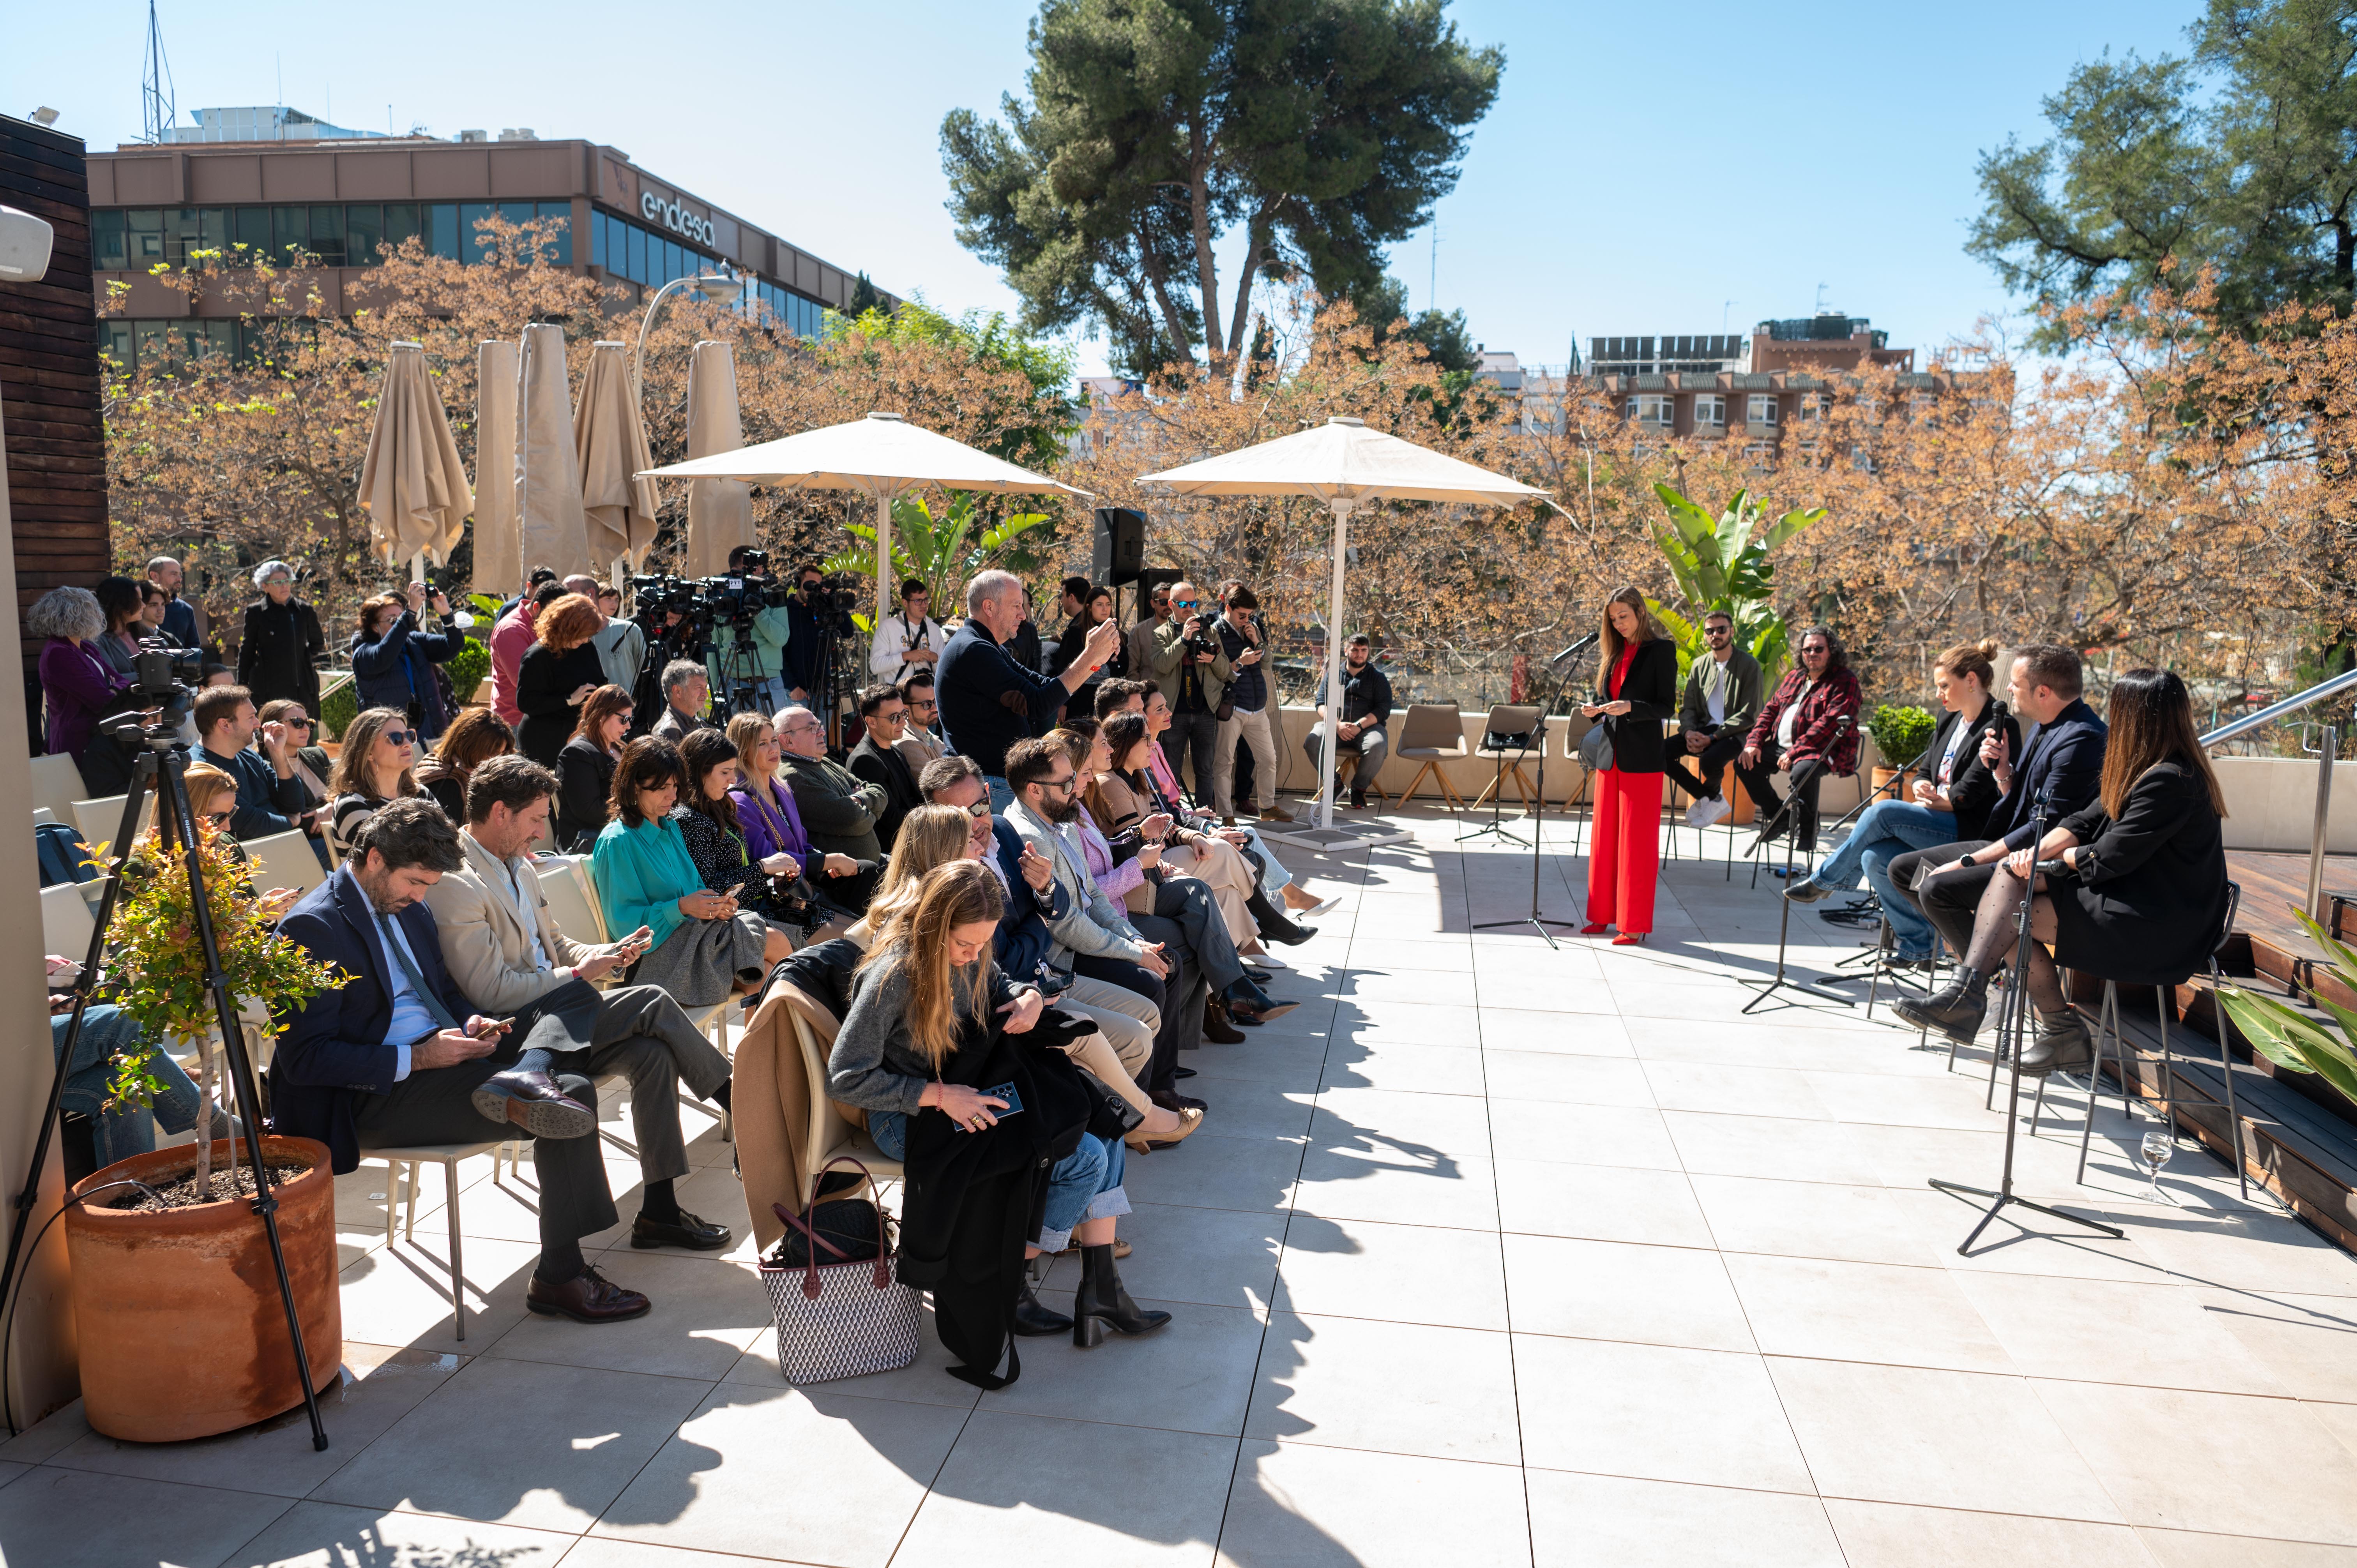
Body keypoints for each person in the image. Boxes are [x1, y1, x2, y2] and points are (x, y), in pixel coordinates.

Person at [271, 799, 651, 1324]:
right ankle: (561, 1276)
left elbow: (445, 990)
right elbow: (305, 1060)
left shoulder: (410, 906)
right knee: (573, 1093)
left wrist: (471, 1021)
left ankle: (530, 1073)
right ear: (375, 858)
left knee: (574, 995)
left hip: (441, 1056)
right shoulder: (312, 928)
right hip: (372, 1094)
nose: (420, 896)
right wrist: (419, 1057)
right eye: (415, 882)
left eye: (428, 885)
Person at [829, 859, 1167, 1368]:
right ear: (935, 925)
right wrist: (939, 1096)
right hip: (911, 1118)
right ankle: (1012, 1282)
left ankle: (1099, 1288)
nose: (973, 956)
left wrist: (1025, 996)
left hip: (969, 1087)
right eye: (965, 945)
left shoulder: (971, 950)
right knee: (1084, 1159)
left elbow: (997, 983)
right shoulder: (894, 975)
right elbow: (846, 1077)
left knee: (1101, 1119)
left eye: (983, 945)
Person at [420, 755, 735, 1250]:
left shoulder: (519, 866)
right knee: (651, 999)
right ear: (500, 813)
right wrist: (577, 975)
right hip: (516, 1038)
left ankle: (659, 1212)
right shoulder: (457, 883)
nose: (542, 832)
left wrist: (606, 953)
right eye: (535, 819)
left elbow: (559, 944)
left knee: (652, 1055)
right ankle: (739, 1101)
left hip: (562, 1016)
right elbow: (490, 993)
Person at [1896, 668, 2228, 1075]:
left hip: (2161, 925)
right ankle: (2013, 1011)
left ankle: (2004, 1008)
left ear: (2135, 718)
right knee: (2012, 898)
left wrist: (2046, 862)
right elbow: (2082, 822)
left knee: (2012, 905)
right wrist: (2032, 856)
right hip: (2134, 898)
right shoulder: (2146, 770)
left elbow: (2107, 857)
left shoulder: (2170, 781)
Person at [917, 753, 1167, 1092]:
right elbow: (1006, 956)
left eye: (979, 808)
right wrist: (1043, 916)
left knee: (1150, 1005)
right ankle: (1127, 1110)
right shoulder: (951, 872)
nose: (975, 825)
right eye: (959, 816)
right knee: (1137, 1027)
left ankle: (1127, 1105)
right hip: (1017, 995)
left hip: (1047, 975)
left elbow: (1066, 901)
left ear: (989, 794)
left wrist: (1047, 891)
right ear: (938, 818)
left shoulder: (1005, 830)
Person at [1886, 644, 2110, 1016]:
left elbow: (2046, 829)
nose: (2008, 689)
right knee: (1903, 871)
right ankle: (1987, 977)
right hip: (2011, 846)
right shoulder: (2046, 725)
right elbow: (2025, 802)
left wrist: (1969, 861)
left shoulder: (2081, 738)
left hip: (2039, 863)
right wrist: (2003, 771)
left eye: (2016, 684)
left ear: (2043, 692)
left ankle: (1980, 988)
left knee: (1938, 887)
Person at [1782, 639, 2018, 966]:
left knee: (1883, 812)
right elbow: (1925, 771)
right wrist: (1922, 786)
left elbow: (1968, 794)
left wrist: (1937, 799)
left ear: (1971, 681)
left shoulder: (1999, 726)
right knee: (1874, 858)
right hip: (1936, 814)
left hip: (1971, 831)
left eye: (1944, 686)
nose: (1939, 693)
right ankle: (1919, 947)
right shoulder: (1948, 718)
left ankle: (1826, 880)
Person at [1004, 735, 1207, 1113]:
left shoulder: (1061, 818)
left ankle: (1158, 1088)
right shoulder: (1030, 837)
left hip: (1086, 939)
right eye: (1068, 781)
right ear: (1035, 790)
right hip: (1064, 956)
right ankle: (1136, 1109)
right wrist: (1133, 953)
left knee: (1166, 962)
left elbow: (1093, 895)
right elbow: (1066, 925)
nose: (1076, 788)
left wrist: (1134, 939)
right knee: (1151, 979)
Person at [1063, 719, 1293, 1028]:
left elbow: (1124, 840)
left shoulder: (1088, 797)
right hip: (1120, 906)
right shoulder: (1094, 795)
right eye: (1102, 743)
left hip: (1134, 887)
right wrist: (1143, 861)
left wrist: (1146, 834)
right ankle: (1209, 1009)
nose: (1109, 749)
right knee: (1203, 918)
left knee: (1202, 891)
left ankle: (1232, 990)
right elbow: (1090, 892)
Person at [591, 736, 792, 1009]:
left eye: (675, 787)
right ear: (634, 785)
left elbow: (695, 888)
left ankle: (771, 1039)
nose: (673, 797)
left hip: (692, 940)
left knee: (765, 975)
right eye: (662, 788)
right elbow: (626, 930)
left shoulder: (669, 826)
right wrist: (682, 907)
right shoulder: (618, 841)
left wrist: (714, 905)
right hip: (656, 959)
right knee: (775, 944)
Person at [938, 569, 1122, 809]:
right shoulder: (973, 649)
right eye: (1016, 606)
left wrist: (1094, 660)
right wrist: (1089, 657)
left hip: (996, 782)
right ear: (989, 607)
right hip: (989, 785)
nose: (1023, 615)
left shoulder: (986, 646)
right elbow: (1039, 703)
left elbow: (1043, 686)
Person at [1578, 588, 1679, 946]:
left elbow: (1666, 706)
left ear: (1640, 612)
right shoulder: (1614, 652)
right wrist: (1597, 709)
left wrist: (1632, 707)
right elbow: (1610, 700)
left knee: (1636, 844)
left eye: (1624, 616)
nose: (1619, 624)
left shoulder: (1661, 650)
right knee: (1605, 841)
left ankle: (1633, 924)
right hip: (1610, 757)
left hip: (1642, 761)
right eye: (1613, 619)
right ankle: (1601, 916)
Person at [673, 727, 827, 934]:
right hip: (737, 920)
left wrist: (775, 875)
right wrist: (763, 868)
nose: (732, 780)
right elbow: (710, 889)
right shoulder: (689, 820)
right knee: (847, 941)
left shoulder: (719, 805)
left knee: (853, 932)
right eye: (725, 772)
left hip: (760, 908)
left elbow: (740, 868)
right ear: (700, 772)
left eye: (733, 771)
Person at [726, 711, 872, 922]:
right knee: (858, 927)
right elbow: (768, 859)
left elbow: (803, 845)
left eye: (774, 741)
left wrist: (826, 865)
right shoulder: (740, 801)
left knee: (867, 870)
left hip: (807, 879)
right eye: (762, 744)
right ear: (743, 751)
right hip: (782, 896)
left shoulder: (782, 789)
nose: (773, 749)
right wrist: (826, 861)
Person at [1735, 625, 1862, 854]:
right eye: (1807, 650)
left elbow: (1830, 724)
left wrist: (1794, 752)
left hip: (1825, 749)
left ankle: (1807, 831)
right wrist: (1754, 742)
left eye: (1818, 649)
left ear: (1831, 651)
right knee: (1744, 763)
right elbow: (1770, 711)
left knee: (1803, 773)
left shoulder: (1845, 681)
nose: (1812, 654)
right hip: (1783, 747)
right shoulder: (1795, 677)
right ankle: (1779, 817)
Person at [1661, 609, 1763, 828]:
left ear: (1732, 632)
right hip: (1704, 730)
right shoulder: (1700, 665)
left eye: (1721, 629)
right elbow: (1688, 707)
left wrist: (1714, 737)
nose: (1715, 634)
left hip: (1737, 733)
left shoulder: (1749, 665)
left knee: (1710, 761)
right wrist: (1689, 732)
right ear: (1705, 636)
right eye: (1710, 631)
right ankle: (1710, 798)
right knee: (1660, 753)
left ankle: (1709, 798)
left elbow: (1749, 713)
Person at [30, 586, 138, 793]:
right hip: (78, 744)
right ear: (76, 616)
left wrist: (114, 690)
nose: (99, 615)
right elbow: (102, 700)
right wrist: (115, 691)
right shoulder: (58, 653)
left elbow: (122, 681)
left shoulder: (85, 647)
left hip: (98, 739)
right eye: (92, 610)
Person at [194, 684, 320, 852]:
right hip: (253, 856)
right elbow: (252, 823)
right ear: (225, 725)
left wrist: (278, 753)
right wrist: (292, 821)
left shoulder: (248, 755)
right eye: (251, 717)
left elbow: (295, 804)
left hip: (281, 842)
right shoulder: (203, 770)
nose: (258, 723)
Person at [1148, 580, 1232, 805]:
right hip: (1174, 713)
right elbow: (1162, 665)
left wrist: (1213, 659)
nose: (1189, 609)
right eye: (1184, 604)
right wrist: (1184, 640)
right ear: (1172, 604)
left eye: (1193, 603)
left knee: (1205, 770)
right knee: (1171, 769)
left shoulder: (1209, 631)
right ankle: (1173, 816)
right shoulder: (1161, 633)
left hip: (1205, 711)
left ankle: (1207, 817)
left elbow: (1225, 670)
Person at [778, 703, 888, 872]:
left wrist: (858, 799)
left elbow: (880, 793)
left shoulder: (824, 762)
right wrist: (867, 809)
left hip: (873, 865)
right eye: (812, 728)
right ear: (788, 741)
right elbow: (853, 819)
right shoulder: (794, 776)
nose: (822, 732)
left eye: (819, 726)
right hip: (848, 877)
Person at [1211, 585, 1286, 823]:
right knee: (1224, 762)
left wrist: (1257, 640)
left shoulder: (1252, 627)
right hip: (1233, 706)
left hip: (1257, 707)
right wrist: (1241, 662)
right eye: (1242, 615)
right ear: (1228, 608)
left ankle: (1268, 807)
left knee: (1269, 759)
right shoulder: (1215, 630)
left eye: (1250, 616)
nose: (1246, 620)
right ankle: (1226, 815)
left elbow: (1267, 664)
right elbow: (1219, 671)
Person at [514, 593, 608, 767]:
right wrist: (569, 700)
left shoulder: (586, 647)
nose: (586, 640)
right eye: (582, 635)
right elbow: (526, 703)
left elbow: (599, 680)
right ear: (567, 628)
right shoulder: (537, 656)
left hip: (579, 734)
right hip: (545, 739)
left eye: (589, 635)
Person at [1303, 634, 1393, 810]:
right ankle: (1336, 785)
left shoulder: (1378, 678)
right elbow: (1321, 704)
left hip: (1367, 729)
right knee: (1312, 741)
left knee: (1378, 746)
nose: (1360, 654)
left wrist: (1359, 726)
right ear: (1346, 651)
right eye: (1355, 650)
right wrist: (1336, 725)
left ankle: (1358, 790)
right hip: (1336, 726)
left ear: (1368, 652)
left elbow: (1384, 710)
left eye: (1364, 650)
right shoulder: (1333, 675)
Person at [326, 707, 427, 860]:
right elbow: (398, 860)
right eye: (396, 738)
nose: (407, 744)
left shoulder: (421, 793)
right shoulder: (351, 806)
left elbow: (449, 841)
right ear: (369, 752)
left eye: (410, 736)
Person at [706, 546, 795, 715]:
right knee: (734, 734)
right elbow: (713, 649)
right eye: (749, 569)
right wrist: (717, 691)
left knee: (771, 732)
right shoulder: (723, 600)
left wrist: (757, 611)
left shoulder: (772, 597)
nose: (758, 571)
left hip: (768, 683)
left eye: (759, 566)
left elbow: (780, 639)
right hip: (732, 683)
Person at [235, 561, 325, 715]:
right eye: (278, 582)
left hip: (302, 687)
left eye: (287, 581)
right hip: (268, 689)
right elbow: (247, 651)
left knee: (302, 727)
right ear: (265, 586)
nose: (284, 586)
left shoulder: (305, 610)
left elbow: (318, 643)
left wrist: (301, 658)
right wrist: (242, 685)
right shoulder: (256, 612)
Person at [848, 683, 924, 852]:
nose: (903, 722)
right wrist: (933, 823)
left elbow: (916, 797)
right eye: (895, 717)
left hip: (912, 836)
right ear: (871, 722)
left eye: (904, 714)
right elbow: (891, 818)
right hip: (895, 848)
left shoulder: (896, 750)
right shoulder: (865, 760)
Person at [557, 685, 633, 851]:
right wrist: (637, 805)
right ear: (602, 714)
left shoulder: (620, 747)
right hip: (590, 844)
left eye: (630, 720)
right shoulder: (576, 753)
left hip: (620, 835)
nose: (628, 726)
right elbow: (590, 811)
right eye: (624, 719)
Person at [415, 707, 516, 822]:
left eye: (502, 754)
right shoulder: (448, 785)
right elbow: (451, 833)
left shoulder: (462, 771)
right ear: (470, 747)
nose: (498, 760)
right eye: (494, 753)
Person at [490, 583, 568, 728]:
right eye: (554, 615)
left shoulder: (540, 623)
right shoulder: (511, 630)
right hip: (515, 722)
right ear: (537, 607)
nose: (558, 621)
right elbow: (525, 681)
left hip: (541, 716)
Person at [784, 562, 855, 705]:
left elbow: (848, 631)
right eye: (810, 585)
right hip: (796, 694)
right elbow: (780, 653)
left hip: (822, 693)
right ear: (798, 584)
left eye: (818, 585)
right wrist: (793, 687)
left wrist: (834, 599)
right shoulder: (786, 610)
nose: (814, 589)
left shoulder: (823, 609)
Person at [256, 698, 334, 815]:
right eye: (298, 723)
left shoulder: (318, 754)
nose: (306, 728)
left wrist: (330, 809)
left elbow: (344, 791)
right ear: (274, 727)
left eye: (309, 723)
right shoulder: (264, 769)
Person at [869, 577, 947, 683]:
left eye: (926, 600)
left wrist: (936, 659)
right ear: (905, 603)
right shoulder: (888, 627)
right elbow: (875, 666)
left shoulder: (934, 629)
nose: (924, 605)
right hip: (898, 693)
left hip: (928, 692)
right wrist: (905, 656)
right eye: (918, 601)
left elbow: (944, 673)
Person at [590, 583, 646, 696]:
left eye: (617, 600)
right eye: (609, 599)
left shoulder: (630, 629)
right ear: (595, 599)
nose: (614, 604)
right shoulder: (582, 635)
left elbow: (645, 669)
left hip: (628, 701)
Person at [90, 576, 146, 678]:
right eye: (138, 600)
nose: (144, 605)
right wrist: (151, 676)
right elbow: (111, 679)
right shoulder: (97, 640)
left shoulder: (146, 632)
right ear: (122, 602)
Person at [650, 659, 716, 743]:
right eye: (699, 687)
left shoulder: (700, 724)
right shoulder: (667, 733)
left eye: (705, 687)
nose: (706, 694)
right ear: (678, 691)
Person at [896, 669, 947, 774]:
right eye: (926, 704)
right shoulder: (906, 743)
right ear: (906, 709)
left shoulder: (932, 738)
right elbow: (939, 781)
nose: (935, 709)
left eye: (935, 702)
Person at [146, 554, 202, 648]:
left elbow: (194, 648)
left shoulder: (186, 609)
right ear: (155, 576)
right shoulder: (139, 606)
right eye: (174, 574)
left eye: (180, 574)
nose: (180, 579)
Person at [1126, 581, 1173, 679]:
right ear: (1153, 603)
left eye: (1171, 602)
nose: (1168, 607)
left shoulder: (1184, 631)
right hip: (1150, 687)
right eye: (1164, 602)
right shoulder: (1139, 632)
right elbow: (1132, 670)